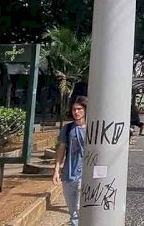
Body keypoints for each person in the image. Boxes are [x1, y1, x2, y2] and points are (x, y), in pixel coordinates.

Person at [53, 96, 87, 226]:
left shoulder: (92, 129)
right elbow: (61, 150)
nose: (76, 112)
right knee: (72, 210)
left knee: (77, 211)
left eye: (79, 109)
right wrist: (56, 171)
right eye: (74, 109)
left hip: (84, 175)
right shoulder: (67, 129)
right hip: (68, 175)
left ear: (85, 110)